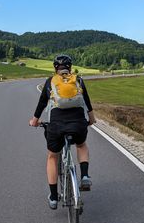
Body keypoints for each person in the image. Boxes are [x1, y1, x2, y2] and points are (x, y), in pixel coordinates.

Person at [29, 54, 96, 210]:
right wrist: (91, 119)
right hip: (78, 123)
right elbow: (87, 101)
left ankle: (53, 197)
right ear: (70, 67)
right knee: (81, 145)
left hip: (56, 126)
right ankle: (85, 176)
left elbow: (41, 104)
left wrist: (34, 120)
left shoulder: (50, 82)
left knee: (52, 156)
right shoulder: (78, 80)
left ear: (55, 68)